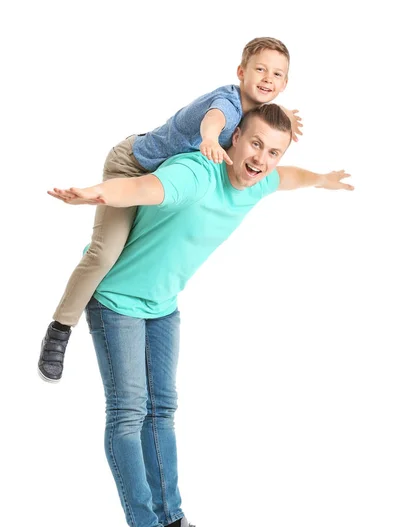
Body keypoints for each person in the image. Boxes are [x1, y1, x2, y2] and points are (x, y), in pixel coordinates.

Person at [47, 104, 353, 527]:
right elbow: (141, 187)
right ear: (232, 139)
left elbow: (290, 176)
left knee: (162, 410)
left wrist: (324, 179)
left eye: (272, 151)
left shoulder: (262, 180)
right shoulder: (197, 172)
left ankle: (171, 523)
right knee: (129, 413)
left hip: (163, 305)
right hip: (117, 302)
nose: (262, 159)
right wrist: (95, 193)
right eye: (254, 145)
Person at [38, 36, 303, 382]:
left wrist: (284, 116)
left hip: (165, 187)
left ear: (285, 84)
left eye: (277, 75)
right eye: (260, 70)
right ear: (241, 72)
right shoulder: (227, 104)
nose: (268, 78)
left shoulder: (258, 116)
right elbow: (214, 120)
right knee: (105, 255)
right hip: (135, 167)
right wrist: (210, 138)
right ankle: (60, 327)